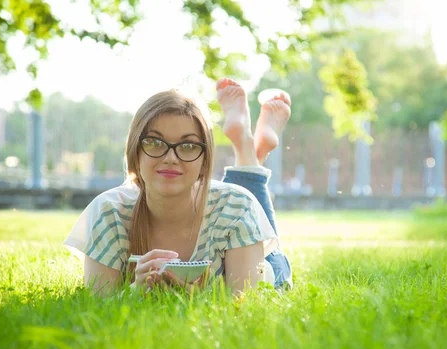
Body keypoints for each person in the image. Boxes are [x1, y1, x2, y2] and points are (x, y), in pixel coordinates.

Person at [64, 78, 293, 296]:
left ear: (205, 161)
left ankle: (246, 145)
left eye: (188, 145)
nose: (171, 158)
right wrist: (135, 291)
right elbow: (99, 306)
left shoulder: (237, 207)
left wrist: (197, 301)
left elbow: (245, 304)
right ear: (135, 152)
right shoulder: (109, 213)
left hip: (264, 266)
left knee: (247, 211)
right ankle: (252, 151)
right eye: (154, 142)